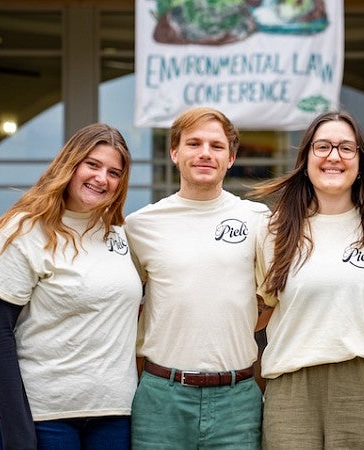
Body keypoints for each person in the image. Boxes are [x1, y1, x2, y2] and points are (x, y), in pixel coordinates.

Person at [0, 123, 142, 450]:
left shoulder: (119, 237)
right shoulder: (23, 231)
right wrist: (17, 433)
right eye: (92, 165)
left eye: (114, 172)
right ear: (70, 164)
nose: (101, 178)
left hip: (114, 413)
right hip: (43, 416)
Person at [250, 110, 364, 449]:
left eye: (347, 148)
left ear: (361, 161)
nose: (334, 156)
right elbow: (259, 310)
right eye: (323, 147)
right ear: (305, 159)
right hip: (290, 387)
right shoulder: (272, 230)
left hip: (363, 385)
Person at [124, 106, 268, 449]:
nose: (205, 153)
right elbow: (123, 303)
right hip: (161, 397)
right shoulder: (141, 225)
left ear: (231, 158)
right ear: (175, 152)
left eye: (216, 146)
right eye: (194, 143)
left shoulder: (258, 219)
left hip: (238, 399)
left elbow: (279, 297)